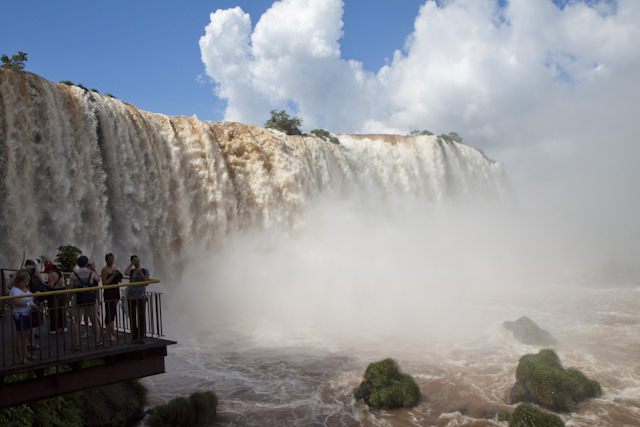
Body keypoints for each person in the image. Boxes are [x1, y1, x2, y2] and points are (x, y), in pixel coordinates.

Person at [68, 255, 102, 350]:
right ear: (87, 263)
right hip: (90, 299)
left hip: (78, 299)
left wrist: (68, 300)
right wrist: (94, 269)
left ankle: (76, 344)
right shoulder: (91, 273)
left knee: (77, 321)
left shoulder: (73, 274)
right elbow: (98, 279)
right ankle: (97, 341)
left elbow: (71, 288)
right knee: (94, 320)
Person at [10, 271, 35, 364]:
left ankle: (25, 353)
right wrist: (27, 304)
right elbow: (16, 301)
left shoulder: (25, 288)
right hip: (20, 314)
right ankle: (21, 357)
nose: (26, 283)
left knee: (26, 335)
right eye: (25, 281)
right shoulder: (15, 290)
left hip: (28, 313)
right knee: (21, 336)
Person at [125, 255, 149, 343]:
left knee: (141, 315)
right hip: (131, 296)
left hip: (141, 296)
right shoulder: (131, 271)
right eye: (135, 261)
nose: (137, 262)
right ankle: (134, 335)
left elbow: (146, 282)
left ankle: (141, 335)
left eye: (138, 260)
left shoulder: (144, 270)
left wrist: (141, 273)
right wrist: (131, 264)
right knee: (132, 316)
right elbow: (125, 272)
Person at [101, 253, 123, 341]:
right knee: (109, 313)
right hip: (108, 293)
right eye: (109, 259)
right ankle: (109, 334)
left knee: (113, 312)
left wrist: (118, 275)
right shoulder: (104, 270)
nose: (111, 261)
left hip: (115, 292)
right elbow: (104, 283)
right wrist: (113, 275)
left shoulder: (114, 269)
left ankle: (113, 331)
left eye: (112, 259)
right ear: (106, 260)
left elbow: (120, 280)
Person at [44, 263, 67, 334]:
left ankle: (54, 329)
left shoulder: (51, 275)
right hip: (63, 291)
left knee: (54, 310)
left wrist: (44, 284)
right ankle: (64, 327)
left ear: (50, 269)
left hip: (55, 293)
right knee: (62, 310)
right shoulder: (60, 273)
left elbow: (51, 285)